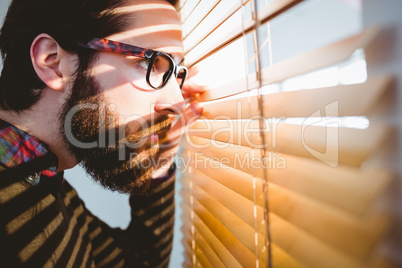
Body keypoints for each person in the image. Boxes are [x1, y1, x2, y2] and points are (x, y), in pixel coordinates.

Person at [0, 0, 204, 266]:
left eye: (175, 73)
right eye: (149, 63)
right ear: (52, 62)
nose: (177, 102)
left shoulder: (46, 181)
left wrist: (159, 158)